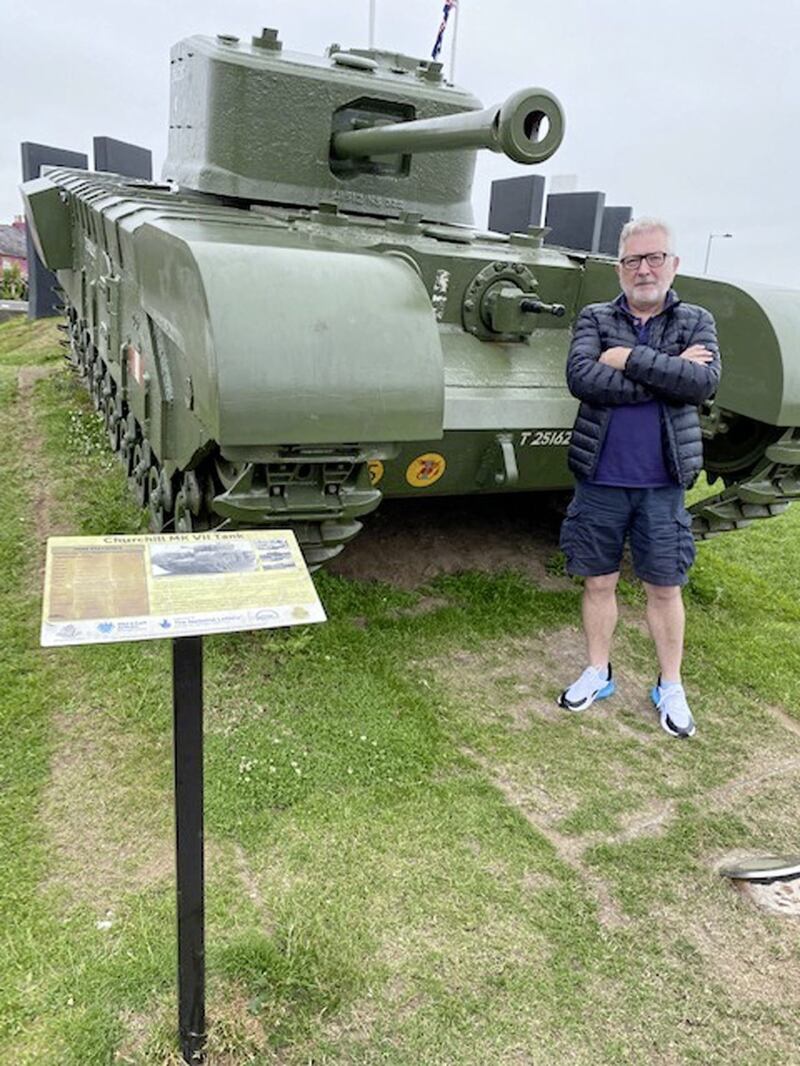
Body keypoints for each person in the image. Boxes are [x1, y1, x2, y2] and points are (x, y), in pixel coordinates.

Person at [557, 217, 721, 738]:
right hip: (600, 477)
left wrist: (628, 359)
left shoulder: (696, 319)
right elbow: (582, 378)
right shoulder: (596, 316)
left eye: (654, 258)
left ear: (673, 264)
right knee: (598, 580)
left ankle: (670, 683)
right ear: (619, 267)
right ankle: (597, 670)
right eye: (633, 260)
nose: (643, 269)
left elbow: (702, 384)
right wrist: (667, 371)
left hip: (662, 482)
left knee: (664, 587)